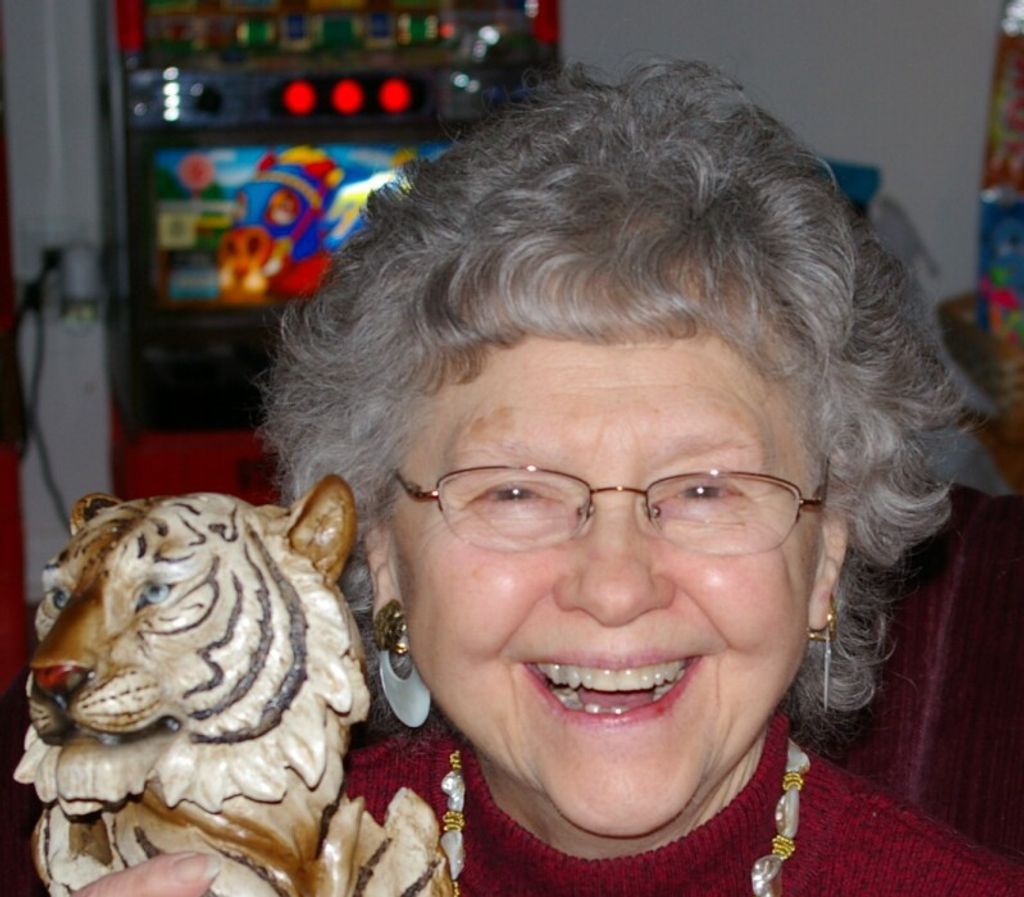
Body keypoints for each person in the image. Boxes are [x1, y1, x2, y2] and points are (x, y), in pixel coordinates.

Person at [9, 60, 1024, 896]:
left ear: (824, 558)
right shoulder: (232, 869)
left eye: (706, 489)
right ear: (383, 558)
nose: (614, 586)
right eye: (514, 491)